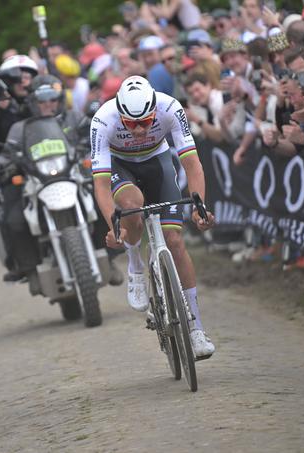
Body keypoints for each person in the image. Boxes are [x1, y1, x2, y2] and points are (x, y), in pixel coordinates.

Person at [90, 76, 216, 358]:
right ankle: (135, 265)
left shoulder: (171, 108)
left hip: (156, 162)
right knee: (132, 207)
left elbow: (192, 164)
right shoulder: (102, 120)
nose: (137, 130)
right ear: (120, 114)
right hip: (120, 166)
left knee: (175, 240)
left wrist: (199, 206)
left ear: (154, 112)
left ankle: (196, 330)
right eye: (130, 123)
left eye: (145, 122)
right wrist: (115, 226)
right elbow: (100, 185)